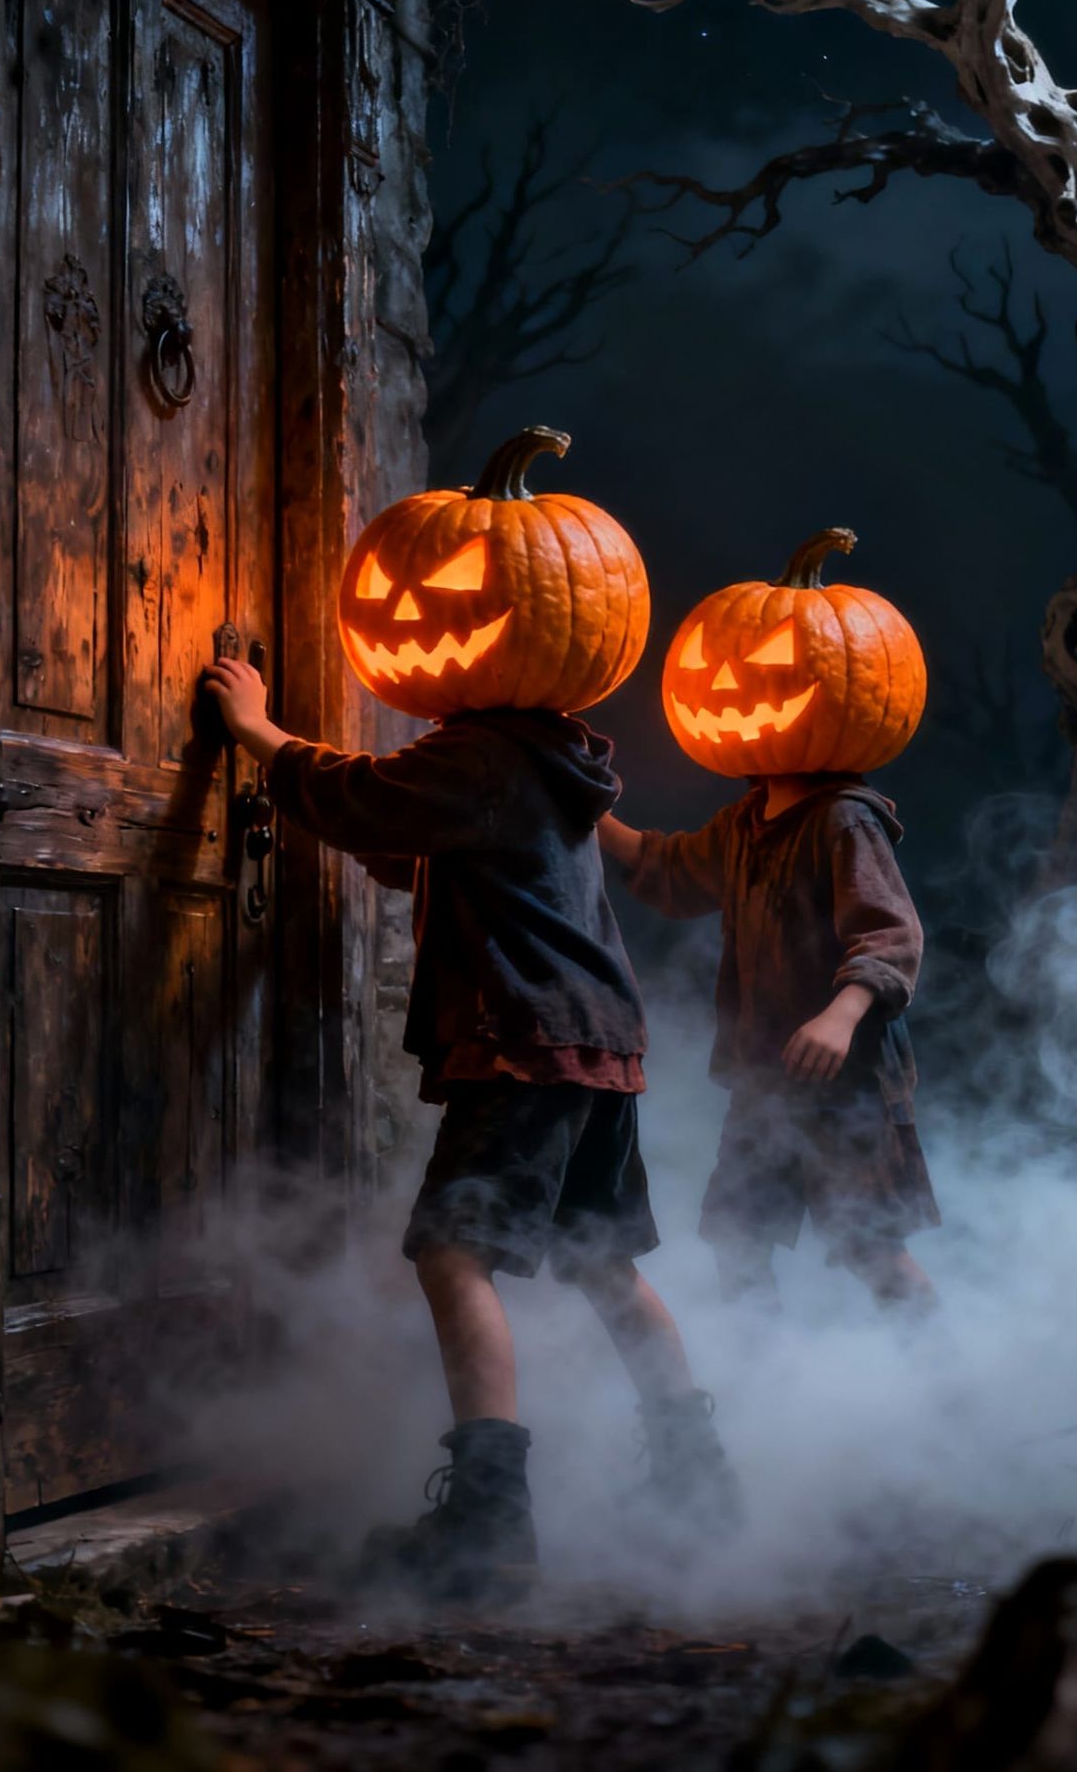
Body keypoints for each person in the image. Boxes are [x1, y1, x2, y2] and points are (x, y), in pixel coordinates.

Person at [203, 654, 736, 1605]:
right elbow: (454, 853)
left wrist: (260, 732)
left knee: (452, 1254)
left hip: (526, 1040)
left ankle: (490, 1521)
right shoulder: (552, 752)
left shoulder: (482, 749)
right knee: (602, 1260)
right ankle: (697, 1481)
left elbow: (363, 795)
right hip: (597, 1040)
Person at [598, 771, 940, 1316]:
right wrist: (593, 812)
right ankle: (763, 1367)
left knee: (869, 1244)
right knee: (737, 1234)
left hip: (849, 1083)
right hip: (764, 1080)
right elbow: (674, 870)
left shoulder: (844, 818)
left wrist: (841, 1016)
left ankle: (949, 1385)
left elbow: (892, 934)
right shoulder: (744, 822)